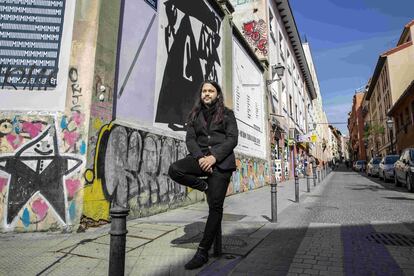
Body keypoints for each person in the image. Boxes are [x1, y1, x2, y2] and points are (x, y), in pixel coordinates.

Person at [168, 80, 238, 270]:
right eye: (204, 91)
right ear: (201, 94)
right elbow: (190, 139)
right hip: (200, 160)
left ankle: (202, 252)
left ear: (217, 93)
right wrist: (200, 157)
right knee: (174, 170)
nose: (207, 93)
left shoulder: (227, 114)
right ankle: (204, 187)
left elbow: (232, 139)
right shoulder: (194, 114)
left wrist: (214, 157)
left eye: (211, 90)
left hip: (221, 164)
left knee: (215, 207)